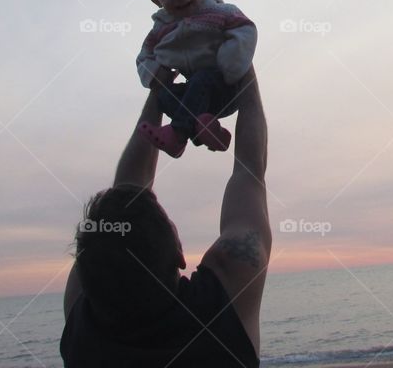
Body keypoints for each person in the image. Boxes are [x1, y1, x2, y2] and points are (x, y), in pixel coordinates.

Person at [60, 66, 270, 367]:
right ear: (180, 256)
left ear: (85, 272)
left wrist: (161, 92)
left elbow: (125, 201)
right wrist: (242, 64)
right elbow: (249, 173)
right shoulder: (224, 298)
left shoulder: (83, 333)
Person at [136, 0, 257, 158]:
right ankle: (207, 130)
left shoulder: (219, 11)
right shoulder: (160, 30)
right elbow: (144, 56)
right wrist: (155, 73)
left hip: (224, 86)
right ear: (156, 0)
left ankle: (178, 136)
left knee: (203, 77)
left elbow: (246, 28)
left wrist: (230, 63)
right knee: (163, 96)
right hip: (194, 98)